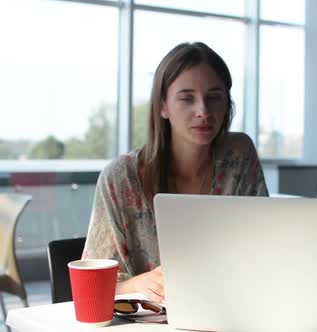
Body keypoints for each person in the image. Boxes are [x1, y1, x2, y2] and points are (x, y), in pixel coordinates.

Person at [83, 42, 268, 303]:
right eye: (187, 98)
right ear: (163, 107)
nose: (203, 111)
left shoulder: (238, 155)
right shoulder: (121, 177)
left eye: (214, 96)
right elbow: (91, 282)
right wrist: (138, 283)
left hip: (230, 311)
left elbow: (265, 250)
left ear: (227, 103)